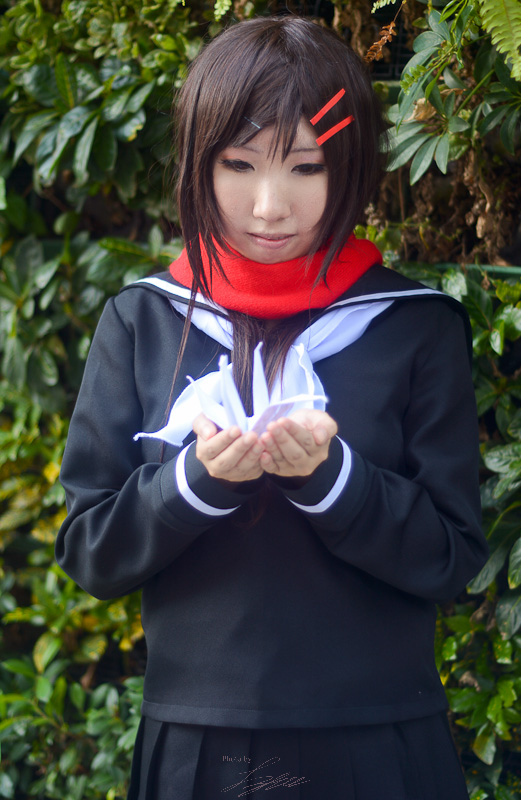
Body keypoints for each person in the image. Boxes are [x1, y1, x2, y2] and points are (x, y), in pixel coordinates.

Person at [56, 15, 489, 800]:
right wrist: (192, 484)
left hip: (378, 735)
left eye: (305, 167)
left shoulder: (413, 325)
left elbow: (450, 558)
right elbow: (91, 553)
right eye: (238, 163)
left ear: (350, 167)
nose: (268, 206)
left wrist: (333, 480)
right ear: (198, 162)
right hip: (198, 740)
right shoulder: (144, 319)